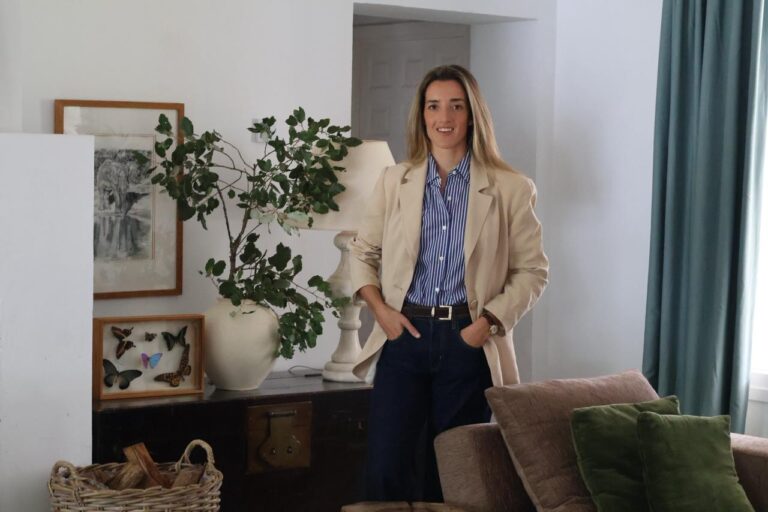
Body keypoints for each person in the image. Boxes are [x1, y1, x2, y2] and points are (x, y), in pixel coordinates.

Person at [348, 64, 549, 502]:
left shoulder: (511, 188)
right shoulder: (394, 181)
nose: (444, 117)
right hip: (404, 336)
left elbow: (533, 271)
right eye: (434, 106)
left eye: (456, 106)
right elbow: (362, 253)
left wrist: (485, 324)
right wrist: (381, 312)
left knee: (452, 471)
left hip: (467, 341)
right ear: (422, 115)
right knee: (385, 467)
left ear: (472, 115)